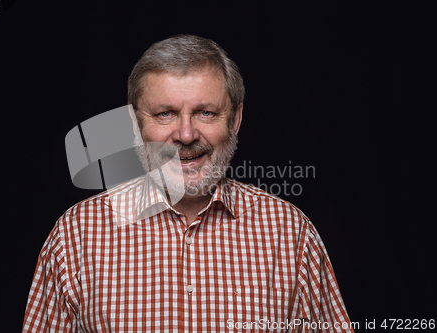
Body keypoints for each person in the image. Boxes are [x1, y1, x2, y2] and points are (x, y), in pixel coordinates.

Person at [22, 34, 354, 332]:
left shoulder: (289, 233)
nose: (185, 134)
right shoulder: (75, 236)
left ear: (235, 120)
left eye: (205, 113)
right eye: (165, 113)